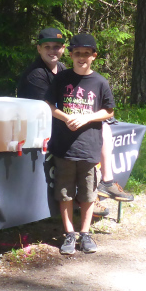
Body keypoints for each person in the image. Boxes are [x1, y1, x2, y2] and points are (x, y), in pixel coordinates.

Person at [17, 28, 114, 217]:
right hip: (39, 128)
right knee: (94, 132)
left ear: (63, 49)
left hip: (60, 121)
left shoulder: (61, 69)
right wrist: (75, 119)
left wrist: (85, 117)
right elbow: (45, 109)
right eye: (47, 47)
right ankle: (89, 198)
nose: (52, 51)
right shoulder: (36, 74)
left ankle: (103, 184)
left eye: (57, 46)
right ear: (39, 49)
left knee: (103, 127)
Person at [44, 34, 115, 255]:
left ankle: (85, 234)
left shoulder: (100, 82)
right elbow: (48, 105)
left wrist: (86, 118)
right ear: (71, 55)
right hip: (64, 147)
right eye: (77, 53)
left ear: (94, 56)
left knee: (88, 194)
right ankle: (69, 234)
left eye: (86, 53)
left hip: (89, 147)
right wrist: (66, 118)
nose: (81, 57)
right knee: (64, 193)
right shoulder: (61, 78)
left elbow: (109, 111)